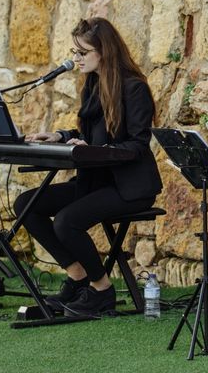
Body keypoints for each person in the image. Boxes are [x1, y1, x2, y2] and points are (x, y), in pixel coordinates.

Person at [14, 17, 162, 317]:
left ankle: (102, 289)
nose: (76, 59)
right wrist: (61, 136)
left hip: (130, 187)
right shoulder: (93, 85)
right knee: (26, 204)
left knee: (66, 221)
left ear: (104, 52)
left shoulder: (134, 89)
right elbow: (89, 135)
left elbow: (136, 146)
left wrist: (95, 151)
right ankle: (78, 275)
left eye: (83, 52)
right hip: (96, 181)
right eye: (75, 51)